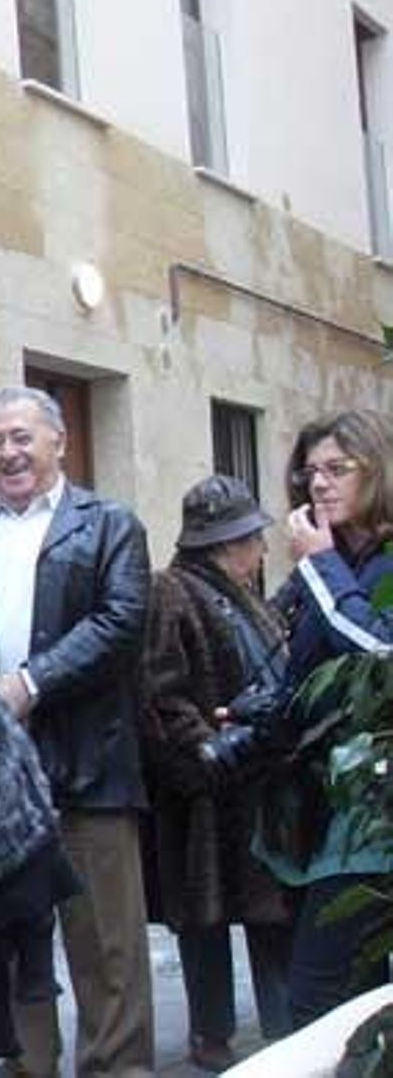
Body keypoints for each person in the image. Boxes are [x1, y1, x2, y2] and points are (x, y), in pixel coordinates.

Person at [0, 385, 154, 1078]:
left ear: (59, 440)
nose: (9, 452)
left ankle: (117, 1069)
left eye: (22, 436)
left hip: (88, 770)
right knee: (13, 949)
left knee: (107, 948)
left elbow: (122, 623)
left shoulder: (109, 524)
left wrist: (28, 683)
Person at [136, 475, 295, 1070]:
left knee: (269, 915)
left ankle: (283, 1029)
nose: (261, 551)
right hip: (205, 794)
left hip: (258, 785)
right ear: (230, 543)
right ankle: (212, 1035)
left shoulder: (249, 596)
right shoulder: (170, 591)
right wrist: (207, 753)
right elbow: (160, 692)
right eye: (254, 539)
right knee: (204, 924)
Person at [260, 409, 392, 1028]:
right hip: (327, 811)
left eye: (337, 468)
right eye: (309, 472)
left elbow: (383, 657)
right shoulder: (335, 563)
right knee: (348, 1001)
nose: (319, 484)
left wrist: (319, 568)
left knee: (317, 999)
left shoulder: (346, 565)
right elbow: (308, 679)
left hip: (373, 817)